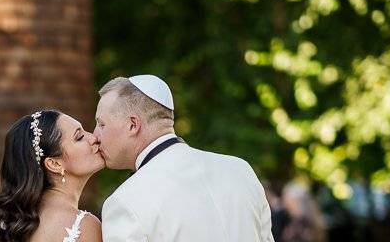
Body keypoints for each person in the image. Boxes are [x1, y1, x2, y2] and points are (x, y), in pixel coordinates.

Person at [94, 75, 274, 242]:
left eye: (101, 124)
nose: (95, 135)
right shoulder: (240, 170)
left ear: (133, 125)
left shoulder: (125, 202)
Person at [0, 110, 104, 242]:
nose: (94, 138)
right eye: (79, 137)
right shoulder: (84, 227)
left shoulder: (5, 229)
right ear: (54, 164)